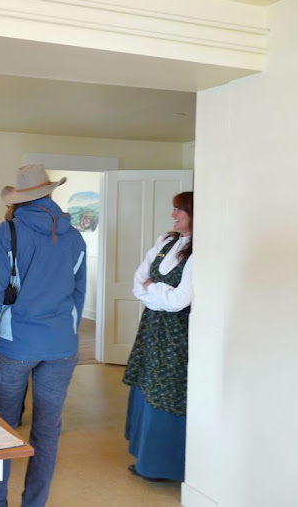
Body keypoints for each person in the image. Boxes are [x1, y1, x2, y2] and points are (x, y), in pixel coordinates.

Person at [0, 164, 86, 507]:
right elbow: (78, 294)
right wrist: (67, 334)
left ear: (20, 197)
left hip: (15, 345)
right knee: (48, 431)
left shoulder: (8, 232)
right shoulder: (75, 236)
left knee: (1, 429)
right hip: (62, 345)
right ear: (49, 192)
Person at [122, 191, 194, 482]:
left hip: (177, 335)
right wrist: (157, 293)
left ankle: (164, 466)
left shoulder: (199, 252)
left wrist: (153, 289)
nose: (173, 214)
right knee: (148, 386)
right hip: (153, 328)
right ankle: (145, 459)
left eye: (179, 210)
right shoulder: (166, 241)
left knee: (170, 392)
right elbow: (137, 284)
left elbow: (179, 301)